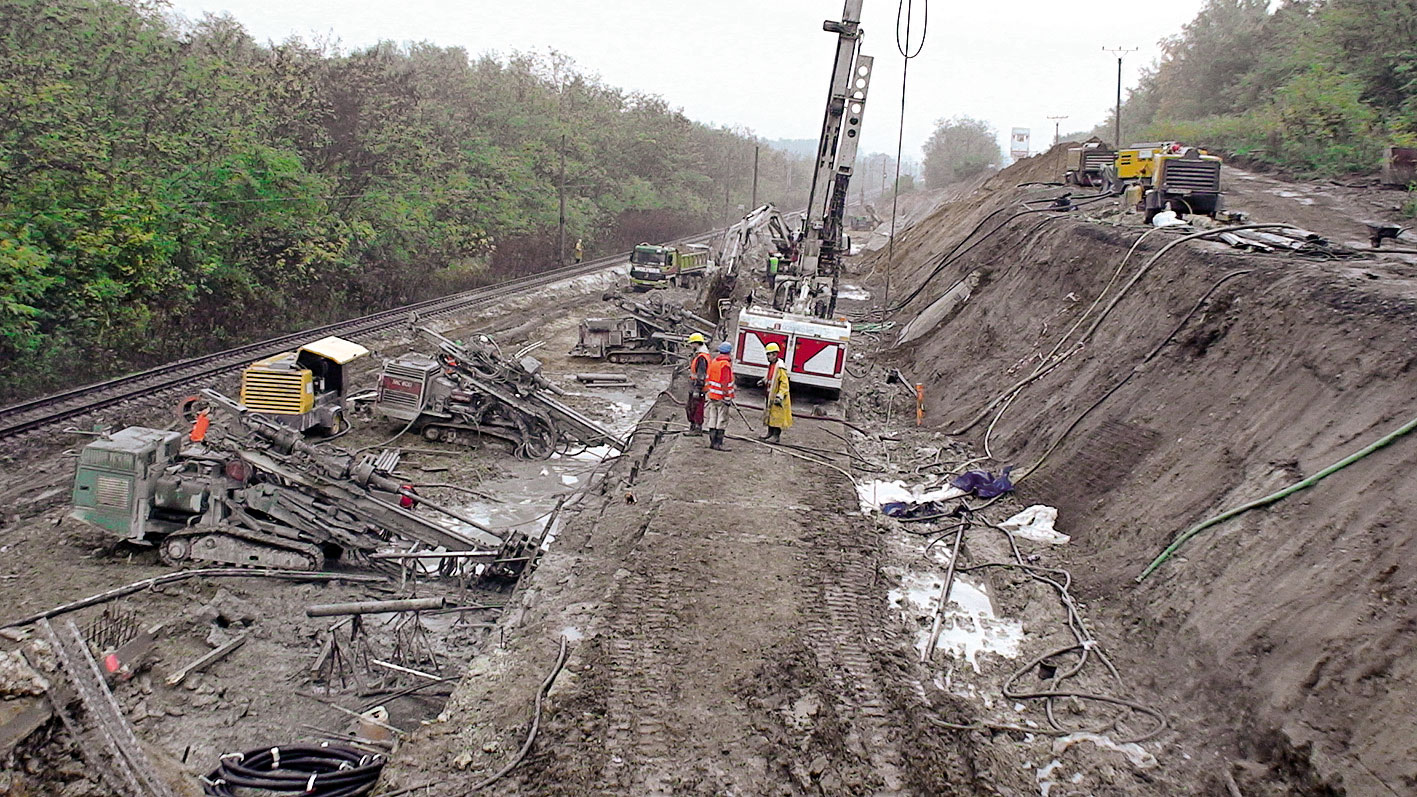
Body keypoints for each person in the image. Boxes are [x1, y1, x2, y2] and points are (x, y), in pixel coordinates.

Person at [704, 341, 735, 451]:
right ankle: (718, 444)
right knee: (722, 420)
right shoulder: (725, 364)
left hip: (712, 395)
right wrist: (727, 397)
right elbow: (724, 383)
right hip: (721, 397)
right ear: (729, 352)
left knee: (713, 418)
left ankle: (712, 442)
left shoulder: (714, 362)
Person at [761, 342, 792, 443]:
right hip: (770, 395)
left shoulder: (780, 368)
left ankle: (776, 436)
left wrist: (780, 396)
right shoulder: (772, 365)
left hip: (777, 396)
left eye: (769, 354)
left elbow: (784, 383)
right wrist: (764, 381)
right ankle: (769, 433)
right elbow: (771, 377)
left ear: (775, 354)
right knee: (770, 414)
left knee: (777, 416)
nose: (767, 357)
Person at [684, 332, 710, 434]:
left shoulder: (702, 358)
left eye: (692, 343)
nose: (691, 346)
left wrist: (697, 389)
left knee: (697, 408)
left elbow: (701, 376)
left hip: (698, 388)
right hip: (696, 387)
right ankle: (693, 427)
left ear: (696, 343)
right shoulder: (700, 356)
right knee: (691, 407)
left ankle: (697, 429)